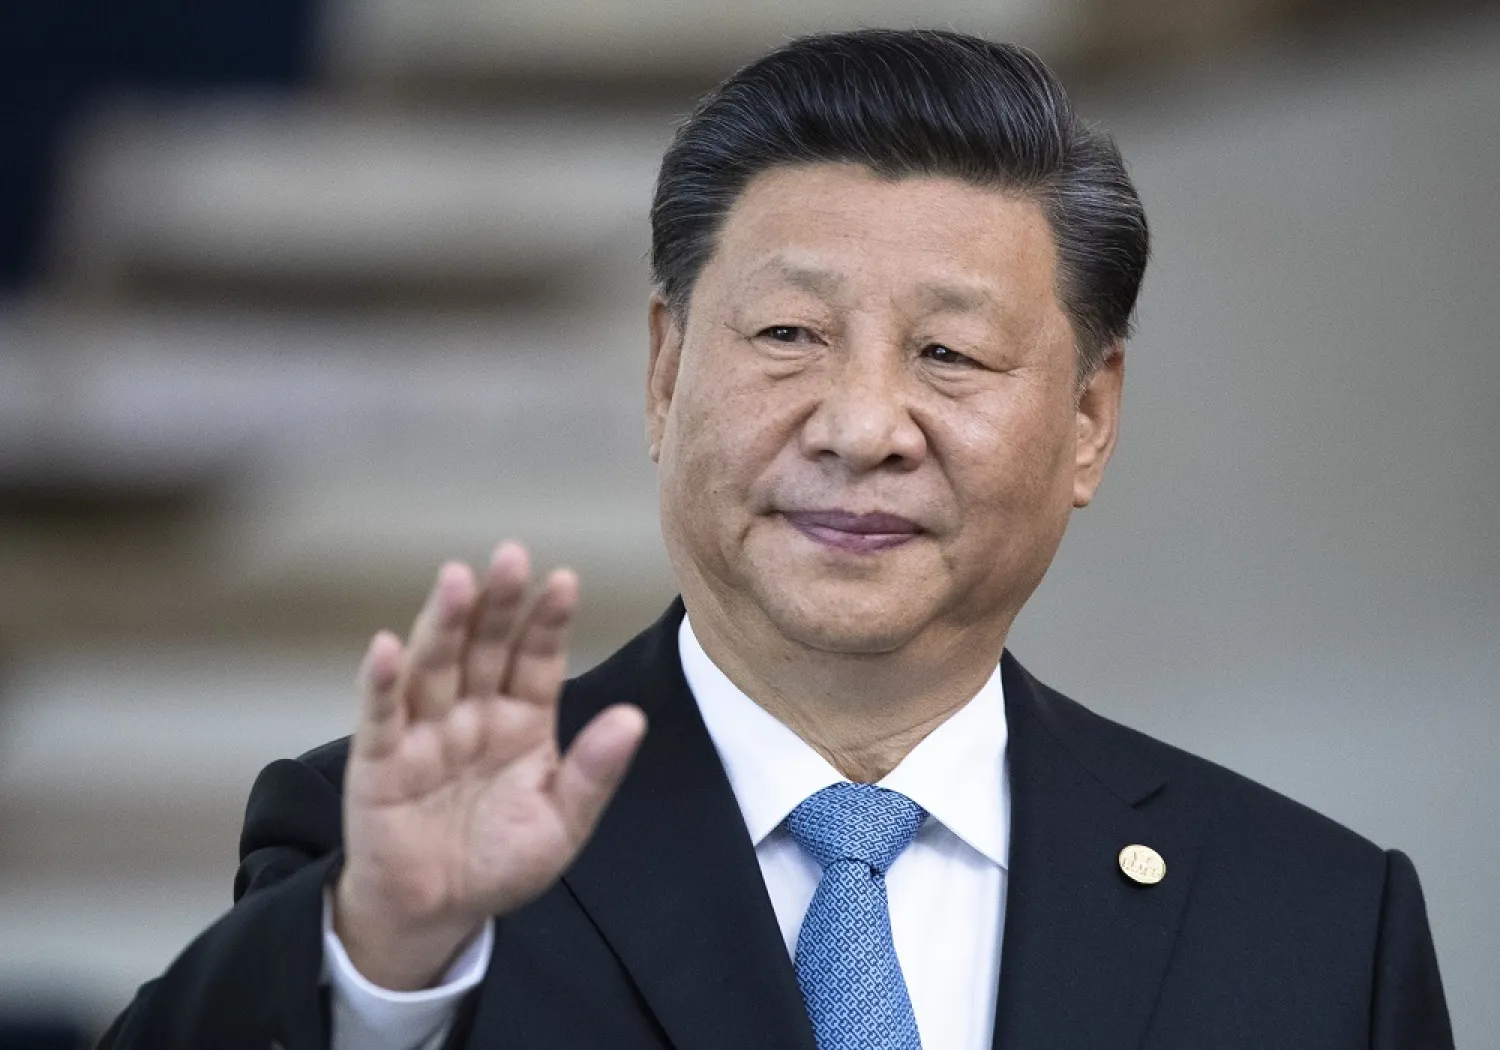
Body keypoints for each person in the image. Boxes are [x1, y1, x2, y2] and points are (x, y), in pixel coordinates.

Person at [98, 29, 1453, 1050]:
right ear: (662, 370)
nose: (863, 425)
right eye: (789, 336)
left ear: (1090, 418)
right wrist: (386, 962)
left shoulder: (1315, 922)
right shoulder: (398, 865)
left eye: (951, 351)